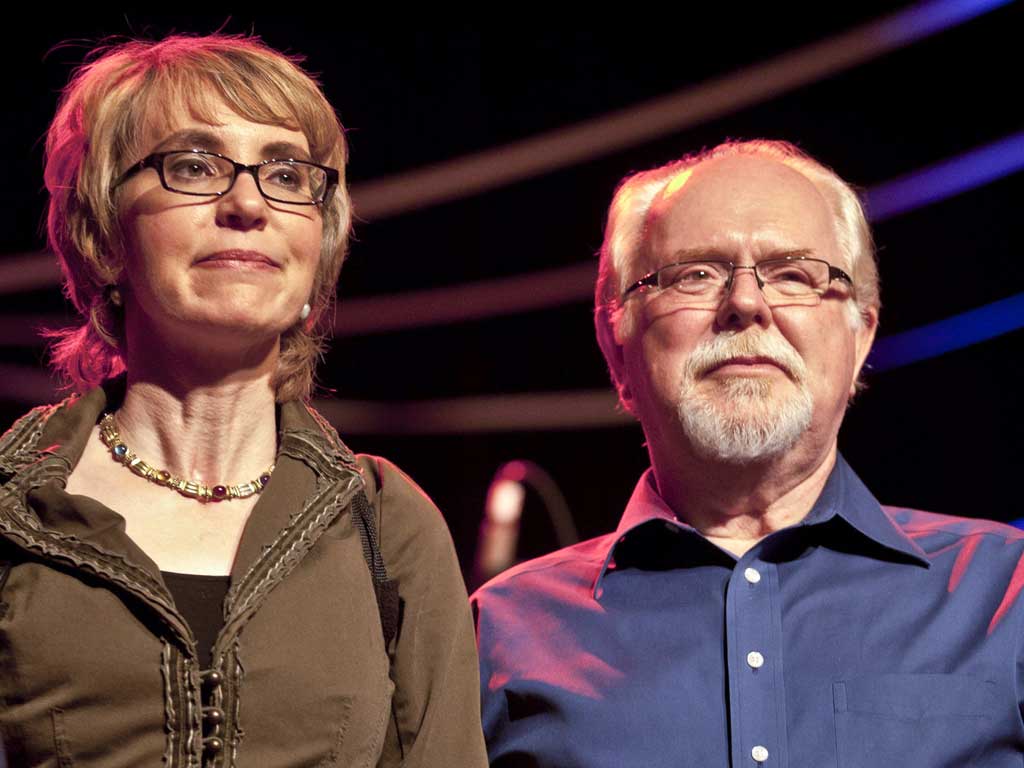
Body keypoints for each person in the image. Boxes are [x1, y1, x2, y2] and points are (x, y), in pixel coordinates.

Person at [0, 34, 487, 767]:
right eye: (193, 166)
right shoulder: (13, 509)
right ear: (102, 233)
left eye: (288, 176)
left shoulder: (385, 523)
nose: (247, 203)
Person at [471, 140, 1024, 767]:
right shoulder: (500, 633)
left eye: (793, 274)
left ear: (861, 333)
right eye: (695, 274)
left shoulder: (1008, 594)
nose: (745, 303)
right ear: (614, 341)